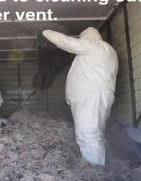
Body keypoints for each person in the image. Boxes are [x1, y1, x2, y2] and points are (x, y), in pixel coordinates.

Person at [42, 27, 118, 165]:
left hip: (90, 95)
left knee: (87, 133)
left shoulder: (94, 45)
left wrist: (45, 32)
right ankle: (101, 161)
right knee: (96, 131)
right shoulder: (108, 50)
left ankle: (94, 169)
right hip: (99, 94)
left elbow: (67, 42)